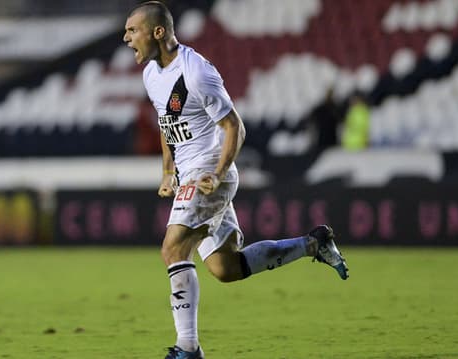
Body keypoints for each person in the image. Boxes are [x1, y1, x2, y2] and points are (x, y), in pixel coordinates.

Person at [123, 3, 349, 358]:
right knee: (226, 269)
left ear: (158, 32)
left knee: (173, 249)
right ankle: (312, 244)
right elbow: (167, 124)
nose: (126, 38)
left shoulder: (195, 72)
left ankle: (188, 349)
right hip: (189, 173)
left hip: (210, 171)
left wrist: (217, 171)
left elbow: (234, 127)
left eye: (132, 30)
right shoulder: (152, 74)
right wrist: (168, 171)